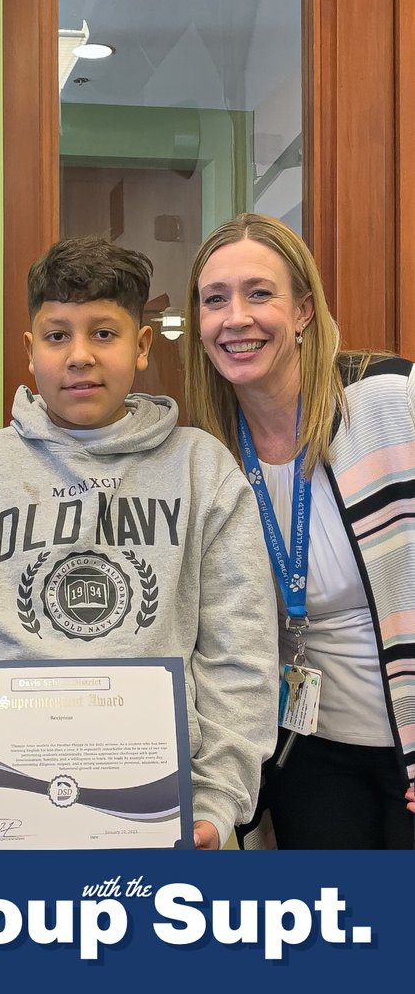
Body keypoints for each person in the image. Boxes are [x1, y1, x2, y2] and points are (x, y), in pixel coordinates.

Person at [0, 235, 278, 851]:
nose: (80, 356)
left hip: (158, 814)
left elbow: (239, 651)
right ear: (30, 350)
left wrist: (218, 794)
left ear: (142, 346)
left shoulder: (204, 474)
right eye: (58, 335)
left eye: (104, 333)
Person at [184, 212, 415, 849]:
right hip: (302, 750)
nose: (235, 318)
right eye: (214, 300)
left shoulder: (393, 400)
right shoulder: (207, 454)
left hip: (408, 742)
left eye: (260, 293)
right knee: (334, 934)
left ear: (304, 310)